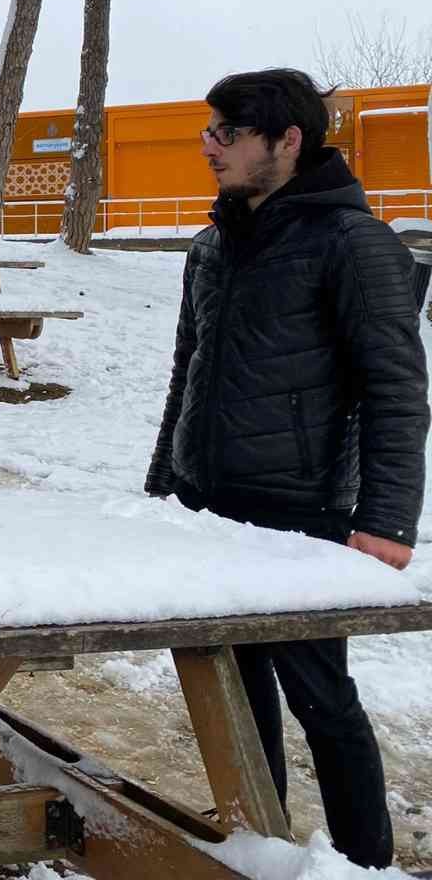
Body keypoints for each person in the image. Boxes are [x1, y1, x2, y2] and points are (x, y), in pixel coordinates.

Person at [147, 67, 426, 868]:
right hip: (210, 502)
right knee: (234, 691)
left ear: (288, 141)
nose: (210, 147)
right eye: (209, 132)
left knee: (322, 698)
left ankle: (365, 859)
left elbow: (397, 386)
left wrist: (386, 520)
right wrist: (166, 482)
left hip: (299, 510)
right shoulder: (213, 243)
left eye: (226, 134)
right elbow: (188, 370)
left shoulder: (354, 242)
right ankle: (255, 837)